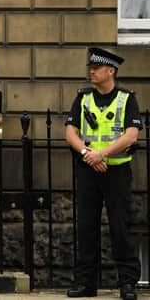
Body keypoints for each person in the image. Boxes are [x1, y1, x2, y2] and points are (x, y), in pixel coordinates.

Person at [65, 47, 143, 300]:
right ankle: (86, 283)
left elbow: (132, 135)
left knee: (121, 227)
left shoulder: (126, 98)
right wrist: (89, 155)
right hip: (88, 171)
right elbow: (70, 133)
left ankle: (128, 283)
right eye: (91, 68)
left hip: (116, 171)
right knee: (86, 227)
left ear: (111, 71)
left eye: (96, 68)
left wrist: (103, 154)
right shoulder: (83, 98)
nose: (92, 71)